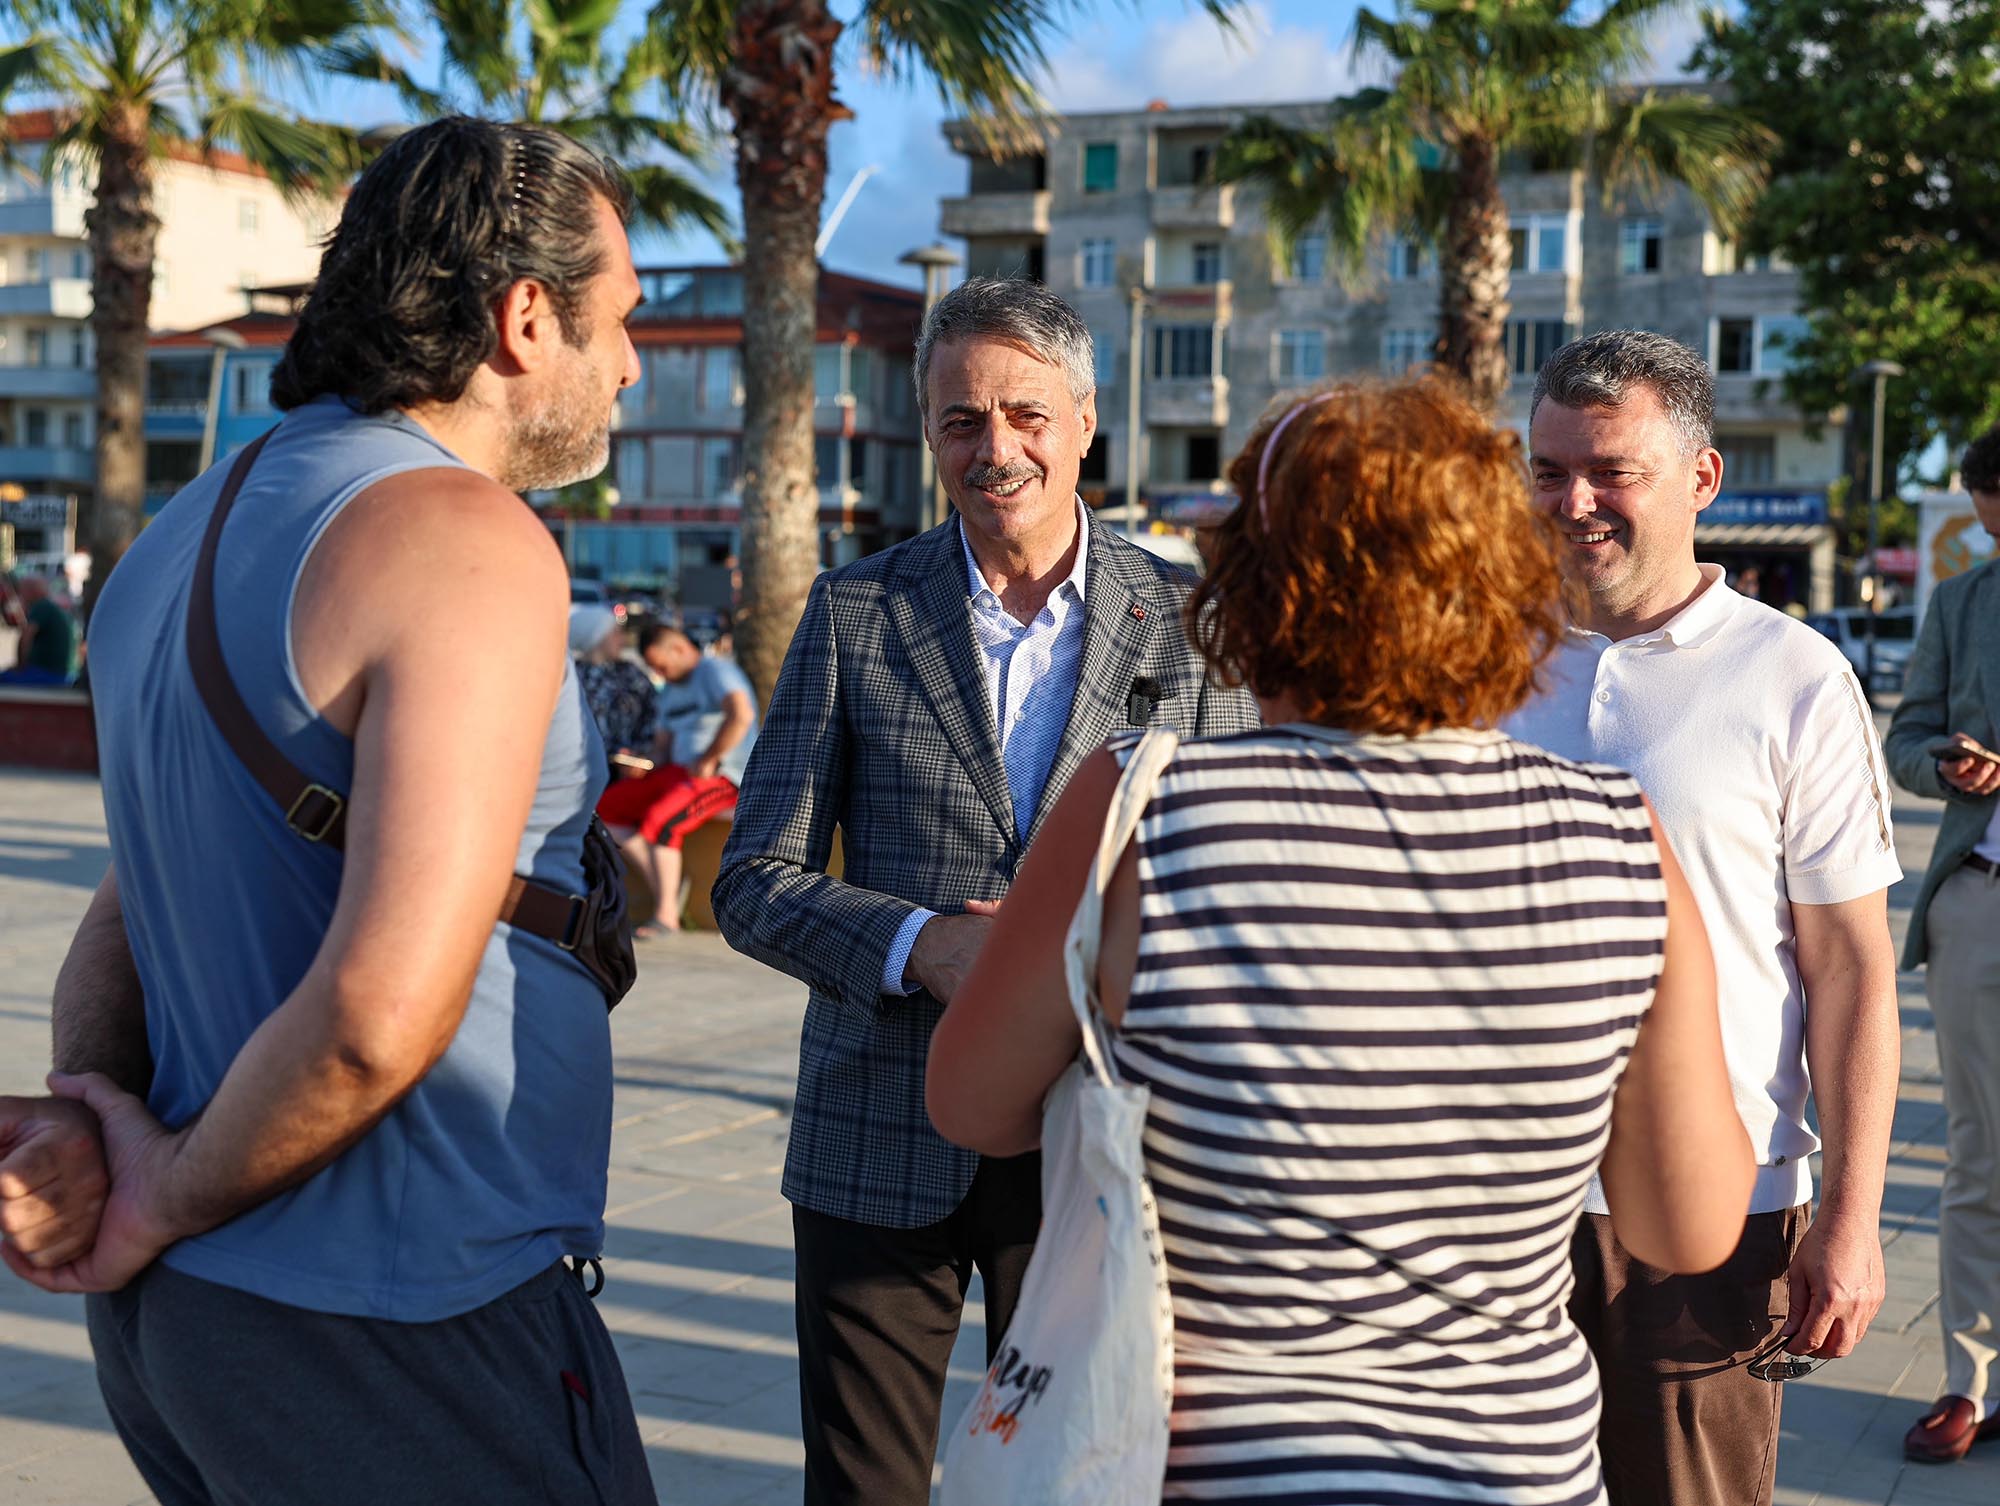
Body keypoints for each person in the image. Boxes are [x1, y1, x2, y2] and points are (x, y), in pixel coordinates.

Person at [927, 374, 1753, 1504]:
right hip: (1510, 1469)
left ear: (1252, 586)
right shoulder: (1616, 833)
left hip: (1213, 1467)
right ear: (1499, 579)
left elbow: (969, 1105)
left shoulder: (1139, 808)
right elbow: (1687, 1223)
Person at [0, 117, 655, 1504]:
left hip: (189, 1323)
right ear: (526, 317)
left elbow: (128, 902)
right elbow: (373, 1016)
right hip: (402, 1317)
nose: (631, 366)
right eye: (621, 321)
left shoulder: (176, 538)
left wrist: (96, 1125)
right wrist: (155, 1191)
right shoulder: (467, 539)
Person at [711, 276, 1259, 1505]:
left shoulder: (1195, 630)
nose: (994, 448)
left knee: (1087, 1486)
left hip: (1098, 1141)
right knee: (861, 1491)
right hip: (874, 1136)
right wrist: (920, 946)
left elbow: (1234, 891)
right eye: (961, 420)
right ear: (927, 433)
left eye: (1024, 415)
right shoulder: (856, 611)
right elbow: (750, 880)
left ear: (1082, 421)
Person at [1507, 329, 1902, 1506]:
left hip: (1710, 1218)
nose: (1572, 502)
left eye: (1608, 470)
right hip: (1485, 1209)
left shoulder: (1792, 677)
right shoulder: (1473, 660)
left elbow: (1848, 970)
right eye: (1545, 469)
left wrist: (1850, 1219)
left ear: (1699, 477)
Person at [1882, 423, 2000, 1463]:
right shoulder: (1962, 603)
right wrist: (1944, 767)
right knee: (1976, 1158)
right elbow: (1904, 738)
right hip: (1978, 900)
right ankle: (1969, 1384)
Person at [598, 622, 757, 934]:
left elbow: (742, 715)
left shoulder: (714, 671)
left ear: (680, 649)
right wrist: (641, 764)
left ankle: (666, 914)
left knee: (661, 820)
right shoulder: (669, 691)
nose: (661, 673)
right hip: (679, 771)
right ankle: (665, 884)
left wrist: (710, 757)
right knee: (606, 808)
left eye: (663, 665)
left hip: (723, 775)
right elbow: (662, 750)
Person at [572, 603, 657, 769]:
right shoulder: (574, 676)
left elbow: (655, 712)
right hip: (584, 769)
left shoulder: (630, 674)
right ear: (598, 637)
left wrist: (641, 754)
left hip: (630, 770)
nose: (623, 640)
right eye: (616, 633)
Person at [1, 573, 79, 684]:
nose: (20, 595)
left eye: (22, 590)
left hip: (48, 675)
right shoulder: (52, 607)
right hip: (61, 673)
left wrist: (20, 667)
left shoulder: (41, 606)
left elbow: (26, 636)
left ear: (31, 591)